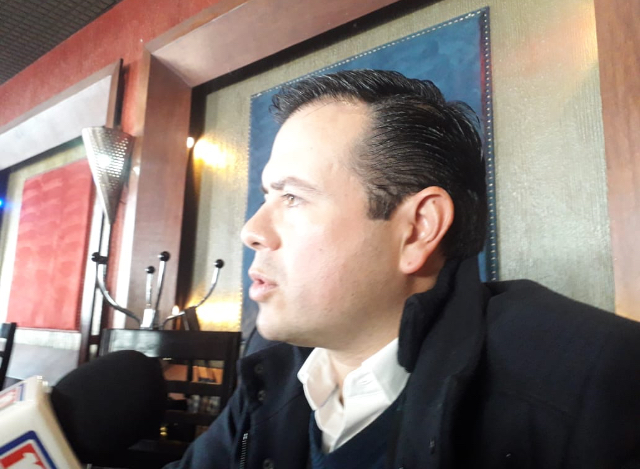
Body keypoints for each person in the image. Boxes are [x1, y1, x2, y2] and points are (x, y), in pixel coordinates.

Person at [166, 70, 640, 469]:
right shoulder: (272, 372)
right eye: (268, 196)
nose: (251, 230)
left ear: (417, 229)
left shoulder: (598, 382)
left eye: (293, 197)